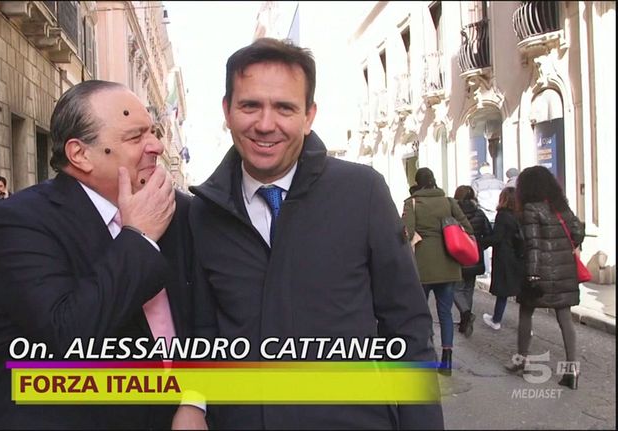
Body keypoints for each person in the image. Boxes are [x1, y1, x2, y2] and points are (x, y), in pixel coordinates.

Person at [185, 38, 443, 429]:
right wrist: (195, 404)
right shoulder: (204, 212)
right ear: (227, 111)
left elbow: (407, 327)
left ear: (308, 116)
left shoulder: (362, 193)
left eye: (284, 108)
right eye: (250, 105)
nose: (265, 124)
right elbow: (204, 332)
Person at [0, 80, 197, 429]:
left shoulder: (176, 210)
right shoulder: (21, 220)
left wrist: (194, 400)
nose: (156, 145)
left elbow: (202, 319)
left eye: (153, 132)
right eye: (135, 137)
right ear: (80, 154)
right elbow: (66, 336)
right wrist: (139, 238)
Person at [505, 166, 585, 390]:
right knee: (565, 318)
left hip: (540, 271)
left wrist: (532, 275)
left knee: (526, 312)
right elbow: (578, 232)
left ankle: (521, 360)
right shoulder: (561, 207)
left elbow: (533, 245)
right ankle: (572, 369)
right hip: (564, 271)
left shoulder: (531, 209)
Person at [403, 168, 474, 377]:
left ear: (417, 183)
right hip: (448, 264)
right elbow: (467, 227)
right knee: (445, 313)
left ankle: (427, 354)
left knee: (421, 312)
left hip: (422, 266)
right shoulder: (449, 202)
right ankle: (447, 360)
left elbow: (407, 232)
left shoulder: (412, 203)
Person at [481, 187, 524, 330]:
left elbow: (497, 237)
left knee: (503, 292)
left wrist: (481, 243)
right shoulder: (520, 215)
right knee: (520, 293)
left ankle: (496, 320)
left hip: (504, 257)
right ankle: (525, 325)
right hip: (518, 256)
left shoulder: (502, 216)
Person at [452, 185, 492, 337]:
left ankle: (466, 315)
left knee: (456, 289)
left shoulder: (453, 213)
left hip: (457, 255)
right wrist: (479, 246)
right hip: (475, 256)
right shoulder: (479, 213)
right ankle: (466, 320)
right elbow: (489, 234)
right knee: (468, 289)